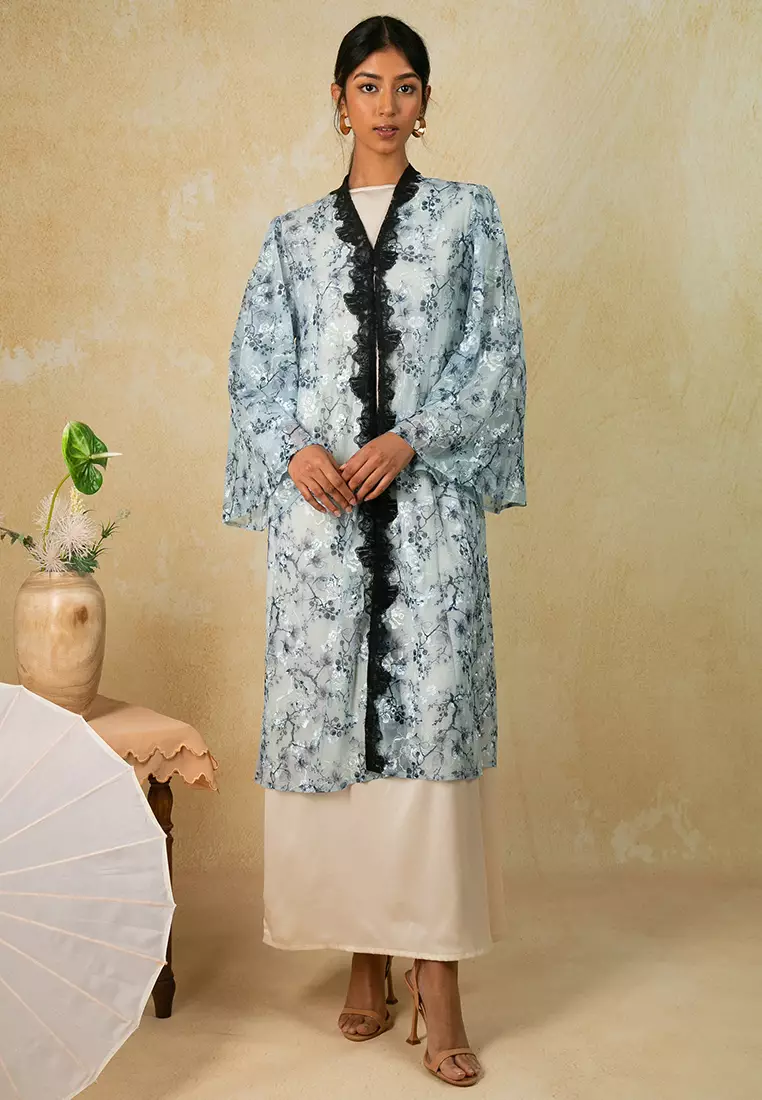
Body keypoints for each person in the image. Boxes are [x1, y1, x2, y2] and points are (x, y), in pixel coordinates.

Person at [222, 14, 527, 1088]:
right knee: (337, 739)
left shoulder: (467, 218)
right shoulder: (293, 238)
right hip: (325, 530)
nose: (387, 105)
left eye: (405, 86)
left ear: (425, 102)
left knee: (430, 736)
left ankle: (437, 979)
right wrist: (296, 450)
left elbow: (495, 356)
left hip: (428, 516)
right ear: (339, 99)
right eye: (367, 85)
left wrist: (414, 437)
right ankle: (364, 952)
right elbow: (256, 372)